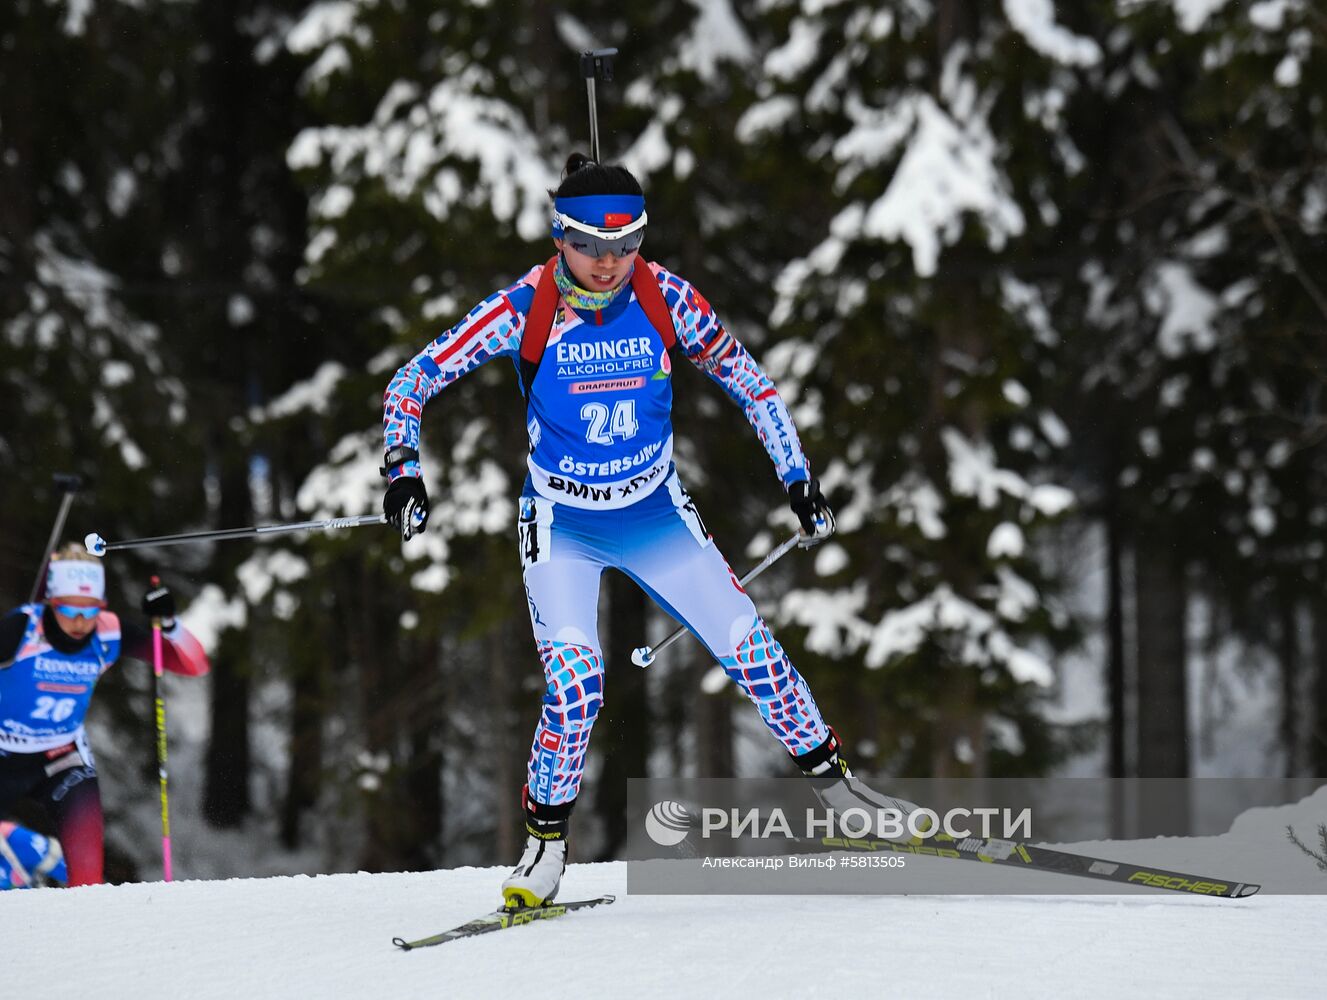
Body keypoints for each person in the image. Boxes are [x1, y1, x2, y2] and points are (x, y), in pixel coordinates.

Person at [381, 154, 919, 908]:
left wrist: (796, 477)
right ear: (557, 236)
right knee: (575, 690)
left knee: (752, 651)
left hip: (654, 513)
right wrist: (403, 467)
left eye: (627, 244)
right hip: (563, 524)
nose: (609, 264)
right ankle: (543, 846)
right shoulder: (524, 308)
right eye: (590, 246)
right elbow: (413, 379)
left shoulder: (667, 297)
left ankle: (840, 792)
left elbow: (748, 380)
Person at [0, 544, 209, 886]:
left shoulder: (109, 632)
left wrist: (169, 625)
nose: (81, 621)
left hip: (61, 758)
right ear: (51, 601)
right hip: (4, 751)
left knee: (87, 879)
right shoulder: (21, 629)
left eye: (91, 609)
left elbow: (193, 663)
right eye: (69, 608)